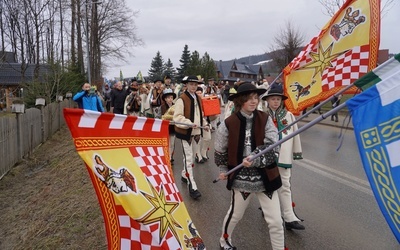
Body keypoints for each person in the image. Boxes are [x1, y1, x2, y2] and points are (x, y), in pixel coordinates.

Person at [214, 83, 284, 250]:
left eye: (255, 98)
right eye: (249, 98)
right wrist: (224, 170)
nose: (254, 102)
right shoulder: (229, 123)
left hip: (266, 176)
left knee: (275, 220)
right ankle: (225, 241)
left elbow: (273, 145)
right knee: (235, 215)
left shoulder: (265, 119)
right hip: (241, 178)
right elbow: (220, 149)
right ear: (240, 101)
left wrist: (255, 157)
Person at [262, 86, 305, 231]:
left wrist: (296, 152)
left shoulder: (289, 116)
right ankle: (267, 209)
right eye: (273, 99)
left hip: (283, 158)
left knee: (285, 185)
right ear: (267, 100)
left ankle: (289, 217)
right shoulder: (262, 116)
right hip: (266, 158)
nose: (275, 102)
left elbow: (295, 134)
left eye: (278, 99)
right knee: (267, 184)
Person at [173, 75, 210, 199]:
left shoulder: (198, 99)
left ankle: (184, 175)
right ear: (186, 85)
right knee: (188, 159)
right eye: (191, 84)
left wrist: (204, 124)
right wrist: (189, 123)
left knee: (193, 157)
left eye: (195, 84)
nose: (193, 86)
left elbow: (201, 115)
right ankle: (192, 185)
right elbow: (177, 117)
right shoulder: (181, 99)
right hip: (186, 134)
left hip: (197, 134)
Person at [160, 88, 177, 164]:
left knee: (172, 143)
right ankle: (168, 157)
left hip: (173, 127)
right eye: (168, 98)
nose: (170, 99)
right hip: (165, 127)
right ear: (165, 99)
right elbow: (161, 117)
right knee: (167, 143)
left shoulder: (175, 106)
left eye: (171, 97)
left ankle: (171, 156)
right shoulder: (162, 107)